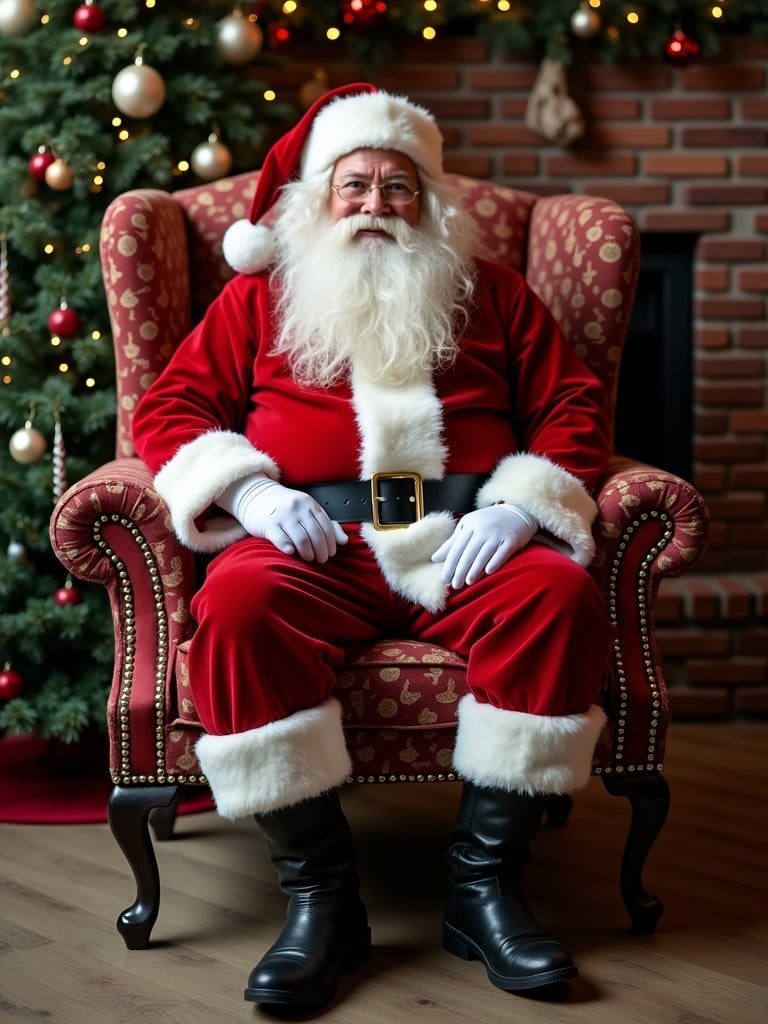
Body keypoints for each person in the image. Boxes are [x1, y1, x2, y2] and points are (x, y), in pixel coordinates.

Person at [132, 82, 616, 1011]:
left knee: (557, 599)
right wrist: (251, 490)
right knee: (235, 610)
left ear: (428, 202)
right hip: (316, 545)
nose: (375, 205)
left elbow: (573, 406)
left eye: (399, 188)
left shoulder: (494, 294)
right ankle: (322, 902)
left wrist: (521, 509)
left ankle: (484, 892)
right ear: (320, 199)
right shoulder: (258, 300)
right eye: (354, 185)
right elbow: (171, 409)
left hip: (466, 540)